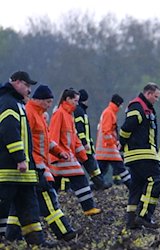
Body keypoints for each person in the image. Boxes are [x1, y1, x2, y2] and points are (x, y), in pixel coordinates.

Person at [4, 85, 83, 242]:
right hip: (35, 165)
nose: (49, 105)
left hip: (37, 165)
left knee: (19, 204)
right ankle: (65, 232)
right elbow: (25, 140)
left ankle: (12, 236)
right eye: (47, 102)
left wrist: (59, 152)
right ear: (38, 100)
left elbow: (46, 139)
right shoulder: (30, 113)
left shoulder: (40, 115)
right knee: (49, 198)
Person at [0, 71, 53, 246]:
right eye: (27, 85)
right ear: (15, 82)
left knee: (30, 207)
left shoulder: (17, 103)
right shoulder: (8, 103)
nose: (29, 90)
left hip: (22, 172)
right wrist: (20, 158)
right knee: (2, 208)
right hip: (9, 170)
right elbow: (10, 132)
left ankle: (37, 241)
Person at [49, 89, 101, 216]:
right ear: (67, 99)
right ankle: (89, 208)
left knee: (52, 187)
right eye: (75, 100)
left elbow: (75, 138)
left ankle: (46, 210)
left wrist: (83, 155)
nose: (77, 103)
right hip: (62, 157)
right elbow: (53, 136)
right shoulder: (60, 114)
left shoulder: (69, 115)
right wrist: (56, 153)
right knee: (80, 177)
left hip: (65, 156)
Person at [119, 83, 160, 229]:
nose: (157, 100)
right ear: (148, 94)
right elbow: (126, 128)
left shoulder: (145, 108)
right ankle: (144, 215)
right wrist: (122, 143)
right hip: (142, 154)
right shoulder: (138, 107)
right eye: (156, 96)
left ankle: (131, 221)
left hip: (138, 155)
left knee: (136, 187)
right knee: (155, 180)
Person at [74, 89, 111, 190]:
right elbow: (80, 128)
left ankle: (99, 183)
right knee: (89, 165)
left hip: (84, 145)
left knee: (89, 165)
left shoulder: (80, 110)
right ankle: (100, 184)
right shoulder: (79, 111)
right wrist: (85, 143)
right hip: (82, 146)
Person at [95, 94, 131, 188]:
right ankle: (131, 185)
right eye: (121, 104)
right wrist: (114, 144)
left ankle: (94, 185)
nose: (121, 107)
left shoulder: (109, 112)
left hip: (104, 148)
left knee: (101, 170)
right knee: (120, 167)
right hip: (108, 147)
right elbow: (106, 132)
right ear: (118, 103)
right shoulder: (109, 113)